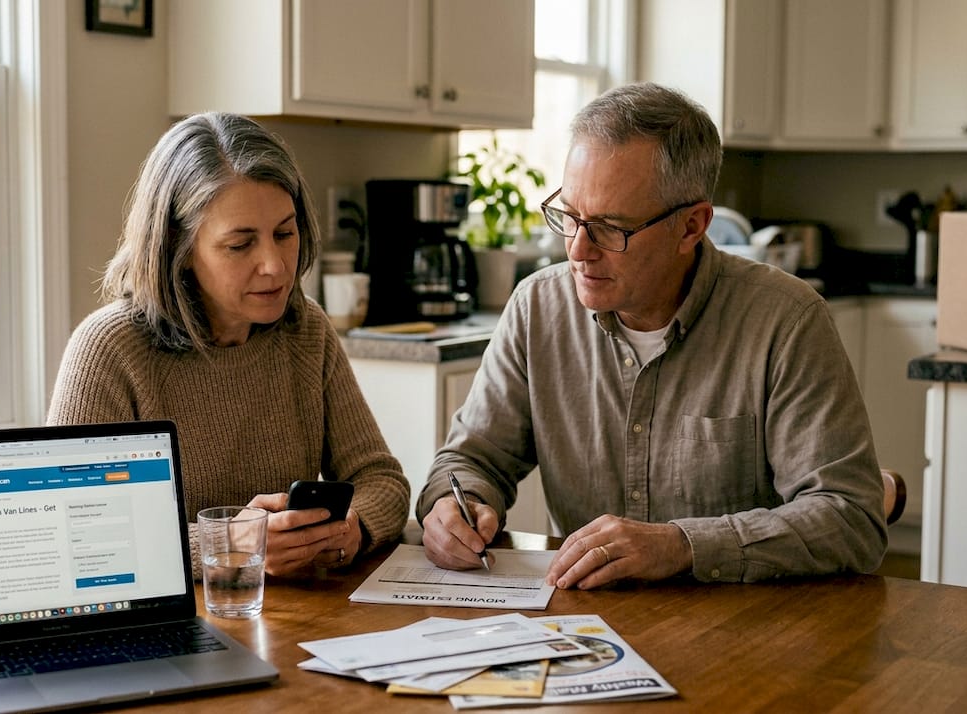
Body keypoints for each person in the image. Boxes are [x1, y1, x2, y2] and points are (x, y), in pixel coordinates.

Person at [417, 83, 886, 588]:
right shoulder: (537, 308)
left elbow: (849, 518)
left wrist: (683, 545)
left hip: (748, 631)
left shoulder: (785, 321)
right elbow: (471, 459)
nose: (578, 250)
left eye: (610, 228)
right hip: (584, 629)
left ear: (691, 227)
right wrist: (452, 505)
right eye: (569, 217)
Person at [48, 112, 410, 578]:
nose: (276, 267)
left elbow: (381, 480)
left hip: (288, 621)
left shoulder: (306, 330)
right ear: (177, 248)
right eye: (240, 245)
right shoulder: (109, 350)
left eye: (285, 233)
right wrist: (228, 545)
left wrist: (350, 531)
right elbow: (78, 536)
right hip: (168, 628)